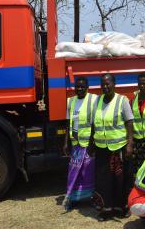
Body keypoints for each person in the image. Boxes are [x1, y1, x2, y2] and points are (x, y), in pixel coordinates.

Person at [92, 73, 134, 221]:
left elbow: (129, 122)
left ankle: (121, 209)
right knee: (103, 181)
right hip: (101, 147)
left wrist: (130, 143)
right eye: (102, 84)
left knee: (120, 180)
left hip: (118, 148)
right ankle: (106, 210)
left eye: (108, 84)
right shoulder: (97, 101)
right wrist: (92, 143)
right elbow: (93, 124)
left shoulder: (122, 100)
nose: (105, 87)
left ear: (114, 84)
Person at [62, 76, 97, 211]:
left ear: (87, 88)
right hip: (75, 144)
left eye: (83, 86)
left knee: (88, 172)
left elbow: (96, 122)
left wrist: (92, 142)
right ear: (74, 88)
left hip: (88, 144)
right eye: (78, 86)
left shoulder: (93, 100)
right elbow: (68, 123)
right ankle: (73, 199)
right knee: (74, 172)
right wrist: (65, 143)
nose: (80, 89)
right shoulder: (70, 101)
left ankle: (90, 198)